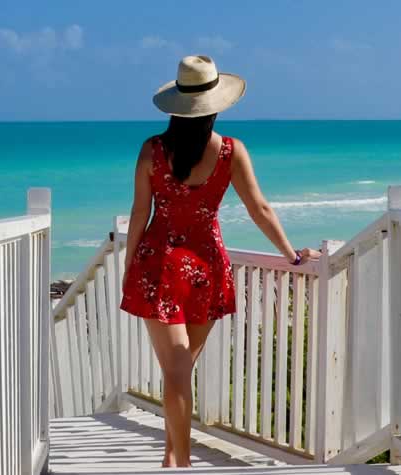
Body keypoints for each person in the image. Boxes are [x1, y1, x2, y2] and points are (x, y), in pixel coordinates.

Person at [120, 55, 319, 468]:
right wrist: (292, 254)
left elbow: (140, 214)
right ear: (216, 105)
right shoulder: (230, 151)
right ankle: (178, 461)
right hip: (206, 268)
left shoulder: (153, 150)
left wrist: (129, 264)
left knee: (177, 368)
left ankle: (176, 459)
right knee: (180, 366)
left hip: (158, 265)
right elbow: (259, 208)